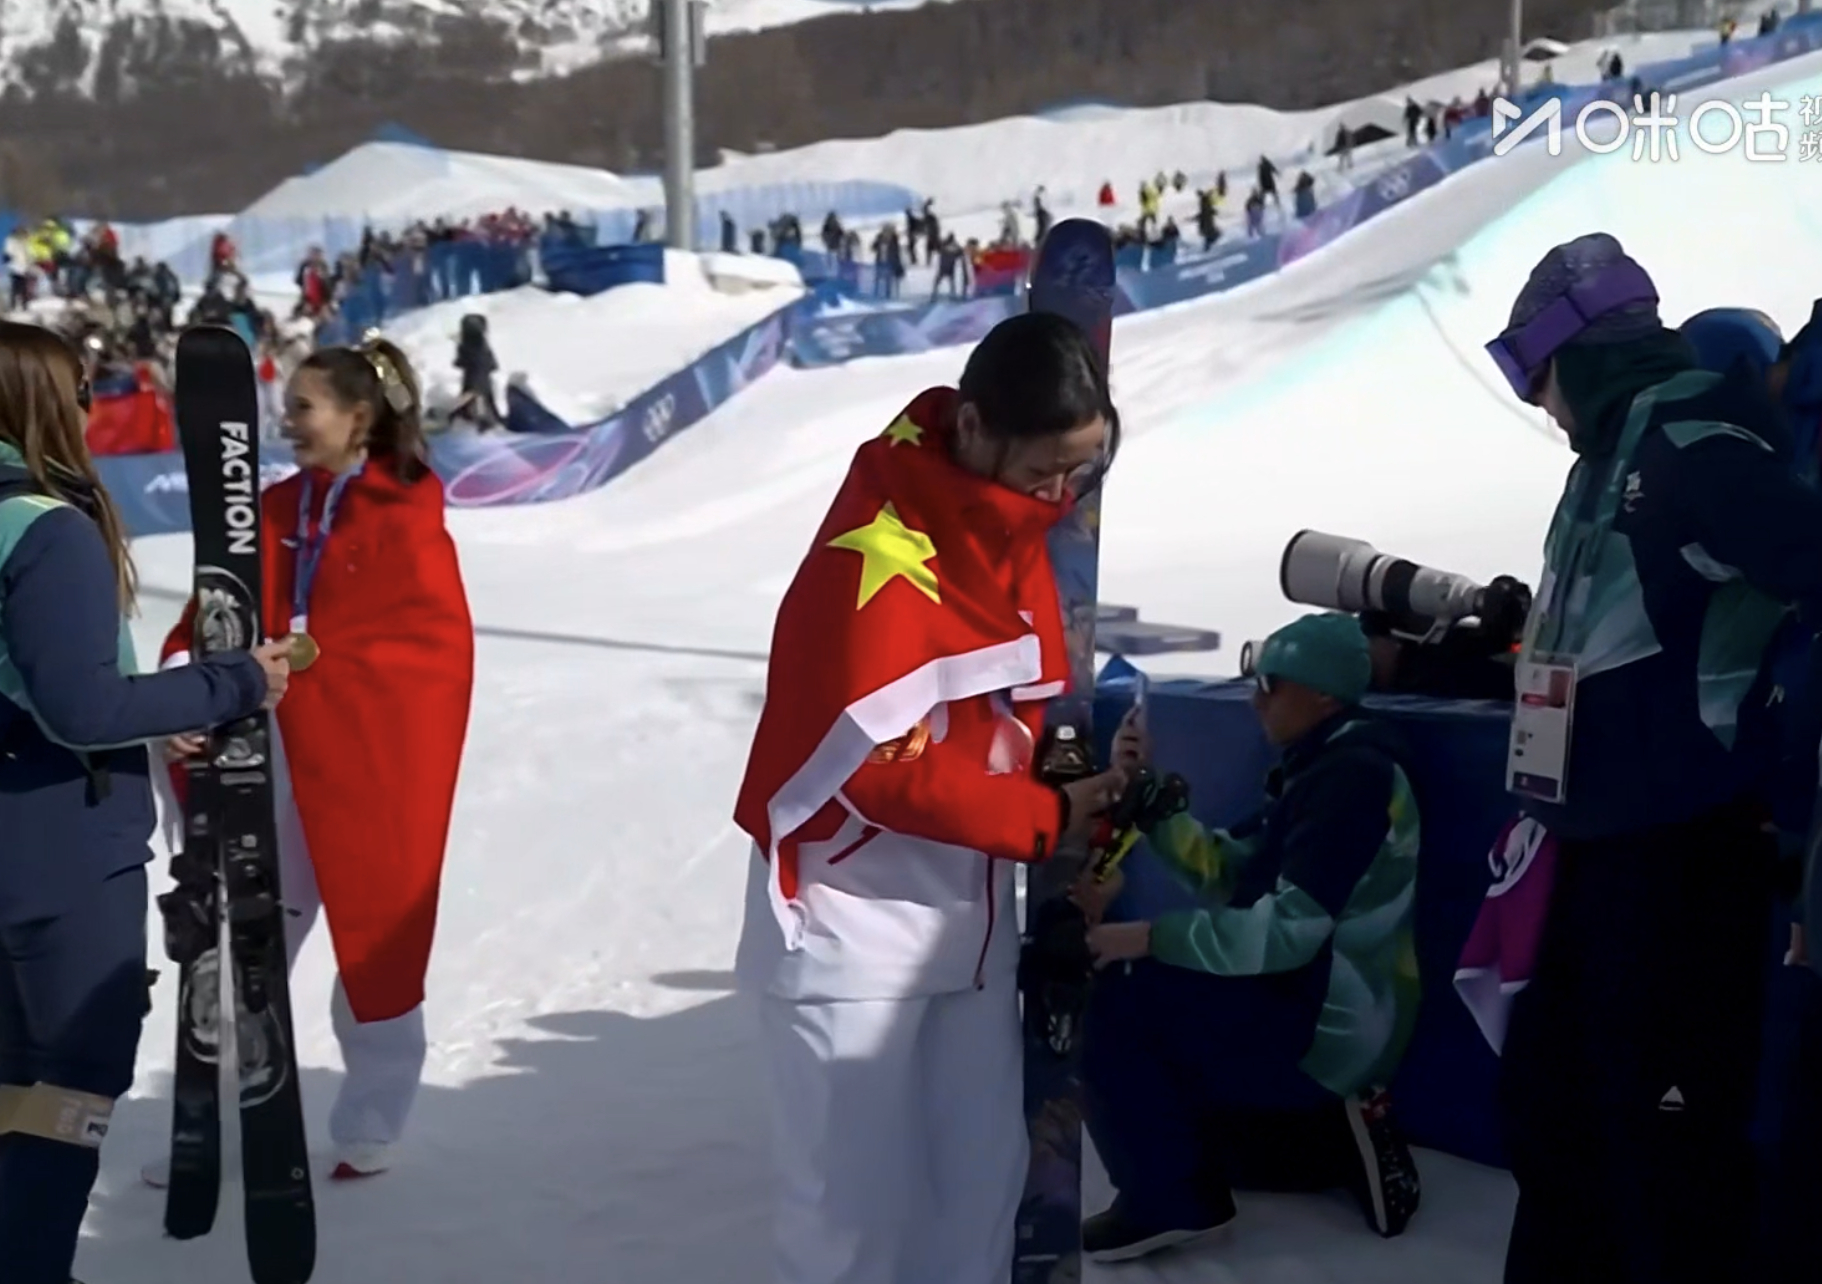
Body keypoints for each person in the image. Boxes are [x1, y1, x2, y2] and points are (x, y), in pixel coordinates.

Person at [732, 311, 1131, 1284]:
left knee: (974, 1198)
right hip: (853, 935)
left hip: (969, 931)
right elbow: (873, 765)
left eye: (1078, 473)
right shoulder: (877, 547)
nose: (1059, 496)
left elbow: (1008, 711)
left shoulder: (1006, 527)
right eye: (1043, 470)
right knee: (856, 1222)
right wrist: (1043, 818)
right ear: (975, 429)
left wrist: (1071, 786)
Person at [1482, 233, 1822, 1284]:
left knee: (1662, 1138)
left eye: (1536, 375)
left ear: (1578, 354)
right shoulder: (1605, 460)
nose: (1539, 404)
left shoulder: (1692, 436)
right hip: (1592, 848)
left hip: (1679, 851)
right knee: (1553, 1109)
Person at [0, 320, 288, 1284]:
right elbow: (80, 707)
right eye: (82, 392)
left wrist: (150, 715)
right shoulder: (44, 528)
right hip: (55, 842)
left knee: (12, 1077)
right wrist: (230, 683)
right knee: (71, 1076)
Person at [148, 336, 474, 1183]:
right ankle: (215, 1118)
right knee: (242, 936)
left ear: (358, 417)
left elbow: (429, 657)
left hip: (367, 761)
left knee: (378, 939)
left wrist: (309, 670)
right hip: (269, 754)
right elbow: (213, 609)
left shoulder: (406, 516)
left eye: (304, 407)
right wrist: (188, 684)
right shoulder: (275, 507)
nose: (286, 421)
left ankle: (373, 1115)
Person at [1075, 612, 1423, 1262]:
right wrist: (1148, 796)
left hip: (1326, 1029)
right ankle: (1325, 1141)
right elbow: (1230, 870)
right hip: (1327, 1008)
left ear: (1322, 696)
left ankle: (1169, 1203)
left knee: (1117, 997)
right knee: (1199, 1126)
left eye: (1270, 684)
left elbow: (1288, 934)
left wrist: (1145, 938)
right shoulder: (1326, 763)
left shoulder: (1350, 781)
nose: (1255, 699)